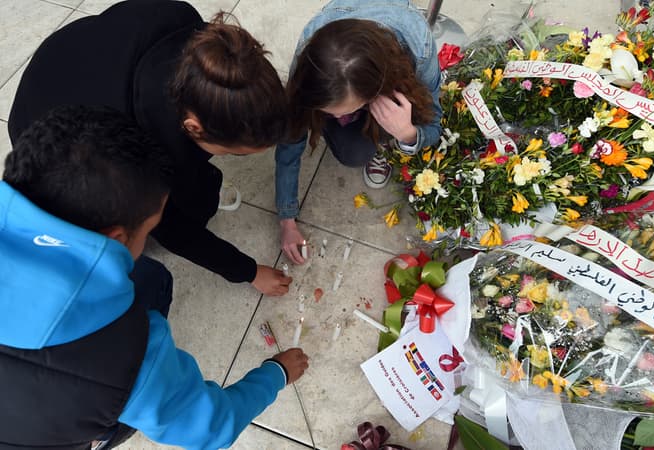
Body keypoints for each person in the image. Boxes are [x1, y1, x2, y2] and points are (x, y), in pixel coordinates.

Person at [0, 105, 309, 449]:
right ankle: (105, 432)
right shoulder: (124, 357)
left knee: (152, 278)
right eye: (149, 229)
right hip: (49, 429)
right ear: (116, 238)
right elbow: (212, 427)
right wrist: (275, 374)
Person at [8, 0, 292, 296]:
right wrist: (248, 272)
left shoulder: (186, 24)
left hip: (68, 56)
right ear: (193, 126)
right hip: (42, 126)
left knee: (198, 188)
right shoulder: (136, 158)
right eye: (237, 153)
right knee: (178, 210)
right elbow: (176, 231)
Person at [275, 0, 443, 264]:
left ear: (378, 91)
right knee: (352, 152)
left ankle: (386, 134)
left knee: (367, 144)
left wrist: (408, 133)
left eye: (345, 110)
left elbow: (435, 122)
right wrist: (287, 218)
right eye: (328, 111)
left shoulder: (416, 43)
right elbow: (291, 135)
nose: (338, 118)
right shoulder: (312, 50)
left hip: (394, 71)